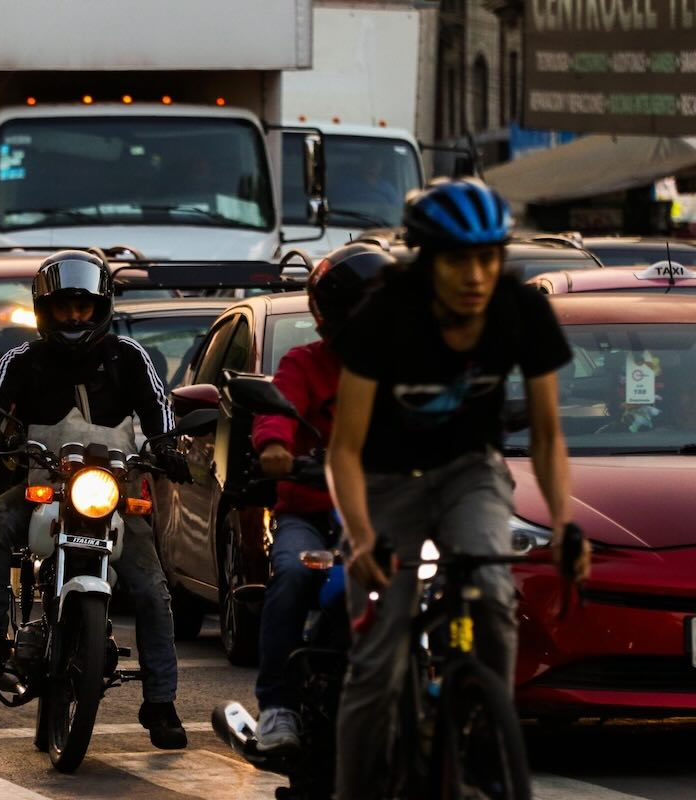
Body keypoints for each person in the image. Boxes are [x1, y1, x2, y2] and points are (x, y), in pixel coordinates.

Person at [326, 178, 591, 799]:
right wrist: (363, 539)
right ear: (426, 259)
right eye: (457, 260)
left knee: (495, 595)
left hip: (470, 470)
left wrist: (562, 525)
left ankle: (480, 722)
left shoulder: (520, 309)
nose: (475, 276)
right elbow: (345, 448)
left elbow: (549, 438)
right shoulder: (384, 314)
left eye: (488, 258)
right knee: (378, 662)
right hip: (385, 480)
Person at [0, 250, 194, 749]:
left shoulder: (132, 357)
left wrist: (169, 447)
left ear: (101, 307)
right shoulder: (21, 359)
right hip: (40, 484)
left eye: (83, 307)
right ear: (45, 309)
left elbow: (159, 409)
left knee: (154, 592)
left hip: (112, 495)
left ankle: (161, 703)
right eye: (65, 307)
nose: (74, 316)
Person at [249, 243, 392, 752]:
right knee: (290, 576)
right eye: (358, 306)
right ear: (328, 312)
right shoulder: (303, 363)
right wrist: (273, 447)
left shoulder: (404, 366)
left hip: (388, 514)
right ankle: (277, 707)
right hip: (312, 514)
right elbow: (277, 411)